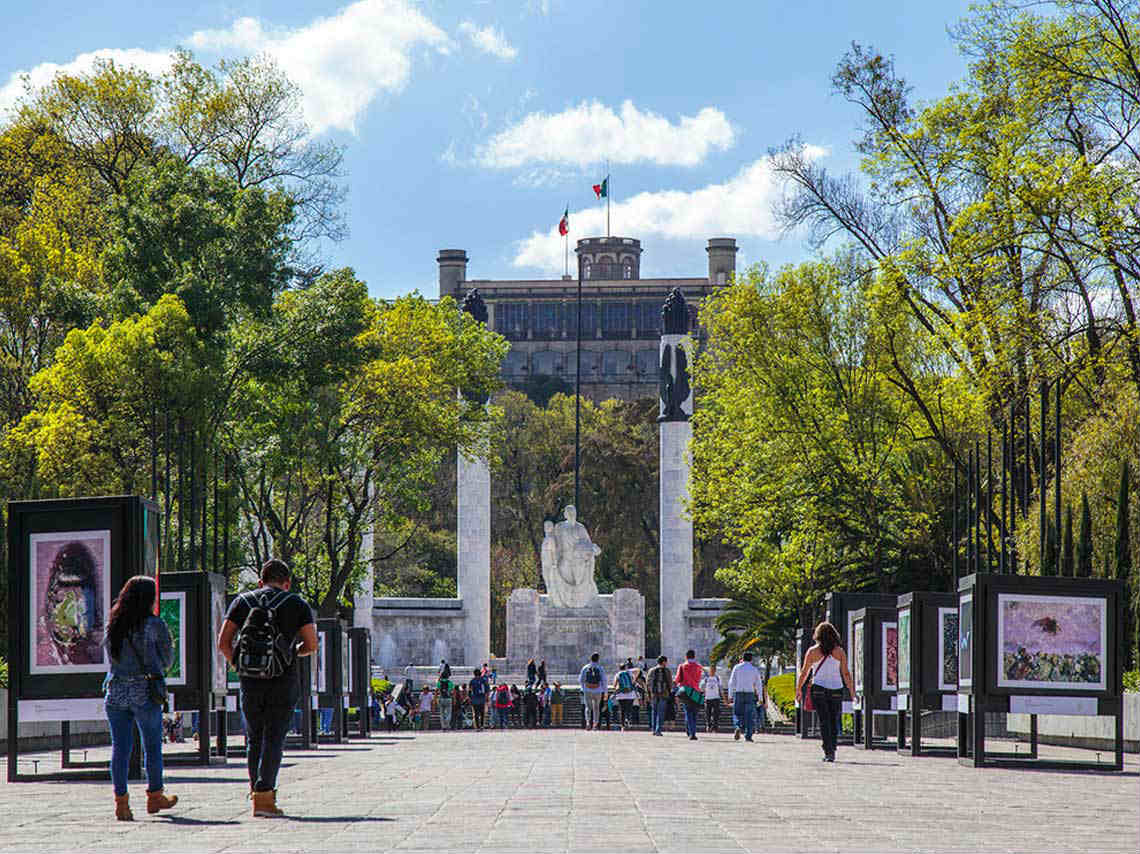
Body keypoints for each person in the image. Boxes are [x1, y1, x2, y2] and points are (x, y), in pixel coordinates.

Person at [219, 558, 317, 817]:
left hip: (250, 680)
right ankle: (265, 796)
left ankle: (256, 795)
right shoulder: (296, 603)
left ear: (260, 581)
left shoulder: (242, 601)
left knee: (254, 737)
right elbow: (311, 644)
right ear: (287, 583)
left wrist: (238, 664)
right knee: (275, 736)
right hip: (283, 680)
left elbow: (223, 642)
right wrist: (292, 653)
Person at [103, 575, 178, 821]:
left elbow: (110, 657)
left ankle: (121, 803)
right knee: (152, 745)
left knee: (120, 748)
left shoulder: (113, 624)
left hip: (115, 690)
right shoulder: (154, 624)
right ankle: (155, 795)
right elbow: (167, 661)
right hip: (145, 691)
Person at [795, 621, 855, 762]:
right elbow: (846, 673)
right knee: (834, 720)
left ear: (818, 635)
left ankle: (828, 750)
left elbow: (804, 673)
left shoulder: (812, 651)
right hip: (836, 688)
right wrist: (851, 691)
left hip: (819, 688)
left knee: (824, 720)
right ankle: (832, 747)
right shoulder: (839, 651)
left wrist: (798, 690)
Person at [728, 653, 762, 742]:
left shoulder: (737, 667)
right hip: (750, 693)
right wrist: (760, 697)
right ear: (751, 660)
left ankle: (738, 726)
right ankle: (748, 736)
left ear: (742, 658)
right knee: (750, 715)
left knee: (737, 713)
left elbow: (731, 682)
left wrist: (730, 695)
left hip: (739, 692)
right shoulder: (754, 669)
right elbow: (758, 684)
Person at [673, 649, 704, 740]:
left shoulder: (682, 666)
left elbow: (678, 679)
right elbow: (699, 679)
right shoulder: (699, 667)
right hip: (696, 691)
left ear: (686, 657)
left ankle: (691, 732)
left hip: (686, 692)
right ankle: (691, 731)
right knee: (694, 713)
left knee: (688, 712)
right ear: (694, 656)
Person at [578, 652, 607, 731]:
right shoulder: (600, 668)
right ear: (598, 659)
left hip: (587, 689)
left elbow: (581, 680)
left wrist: (583, 688)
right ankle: (595, 724)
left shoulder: (585, 667)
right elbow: (604, 680)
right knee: (596, 707)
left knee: (588, 707)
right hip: (598, 690)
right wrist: (605, 691)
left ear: (590, 659)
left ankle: (588, 722)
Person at [646, 655, 671, 736]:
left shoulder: (651, 670)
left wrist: (649, 693)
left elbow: (648, 682)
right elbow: (670, 683)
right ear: (664, 662)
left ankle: (654, 729)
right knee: (661, 712)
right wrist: (669, 691)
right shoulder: (667, 670)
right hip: (663, 694)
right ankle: (658, 730)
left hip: (654, 694)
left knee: (654, 712)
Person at [611, 662, 637, 730]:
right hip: (630, 694)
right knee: (629, 709)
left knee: (622, 710)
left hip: (621, 695)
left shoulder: (617, 674)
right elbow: (633, 682)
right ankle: (627, 719)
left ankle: (622, 725)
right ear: (626, 667)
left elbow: (614, 685)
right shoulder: (630, 673)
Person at [701, 663, 724, 733]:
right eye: (711, 670)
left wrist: (724, 698)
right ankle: (708, 725)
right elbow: (701, 687)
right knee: (708, 713)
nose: (712, 671)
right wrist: (703, 693)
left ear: (715, 670)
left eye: (714, 670)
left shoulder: (718, 678)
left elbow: (721, 688)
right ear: (709, 670)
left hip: (716, 698)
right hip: (708, 698)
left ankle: (715, 727)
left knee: (716, 713)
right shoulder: (706, 679)